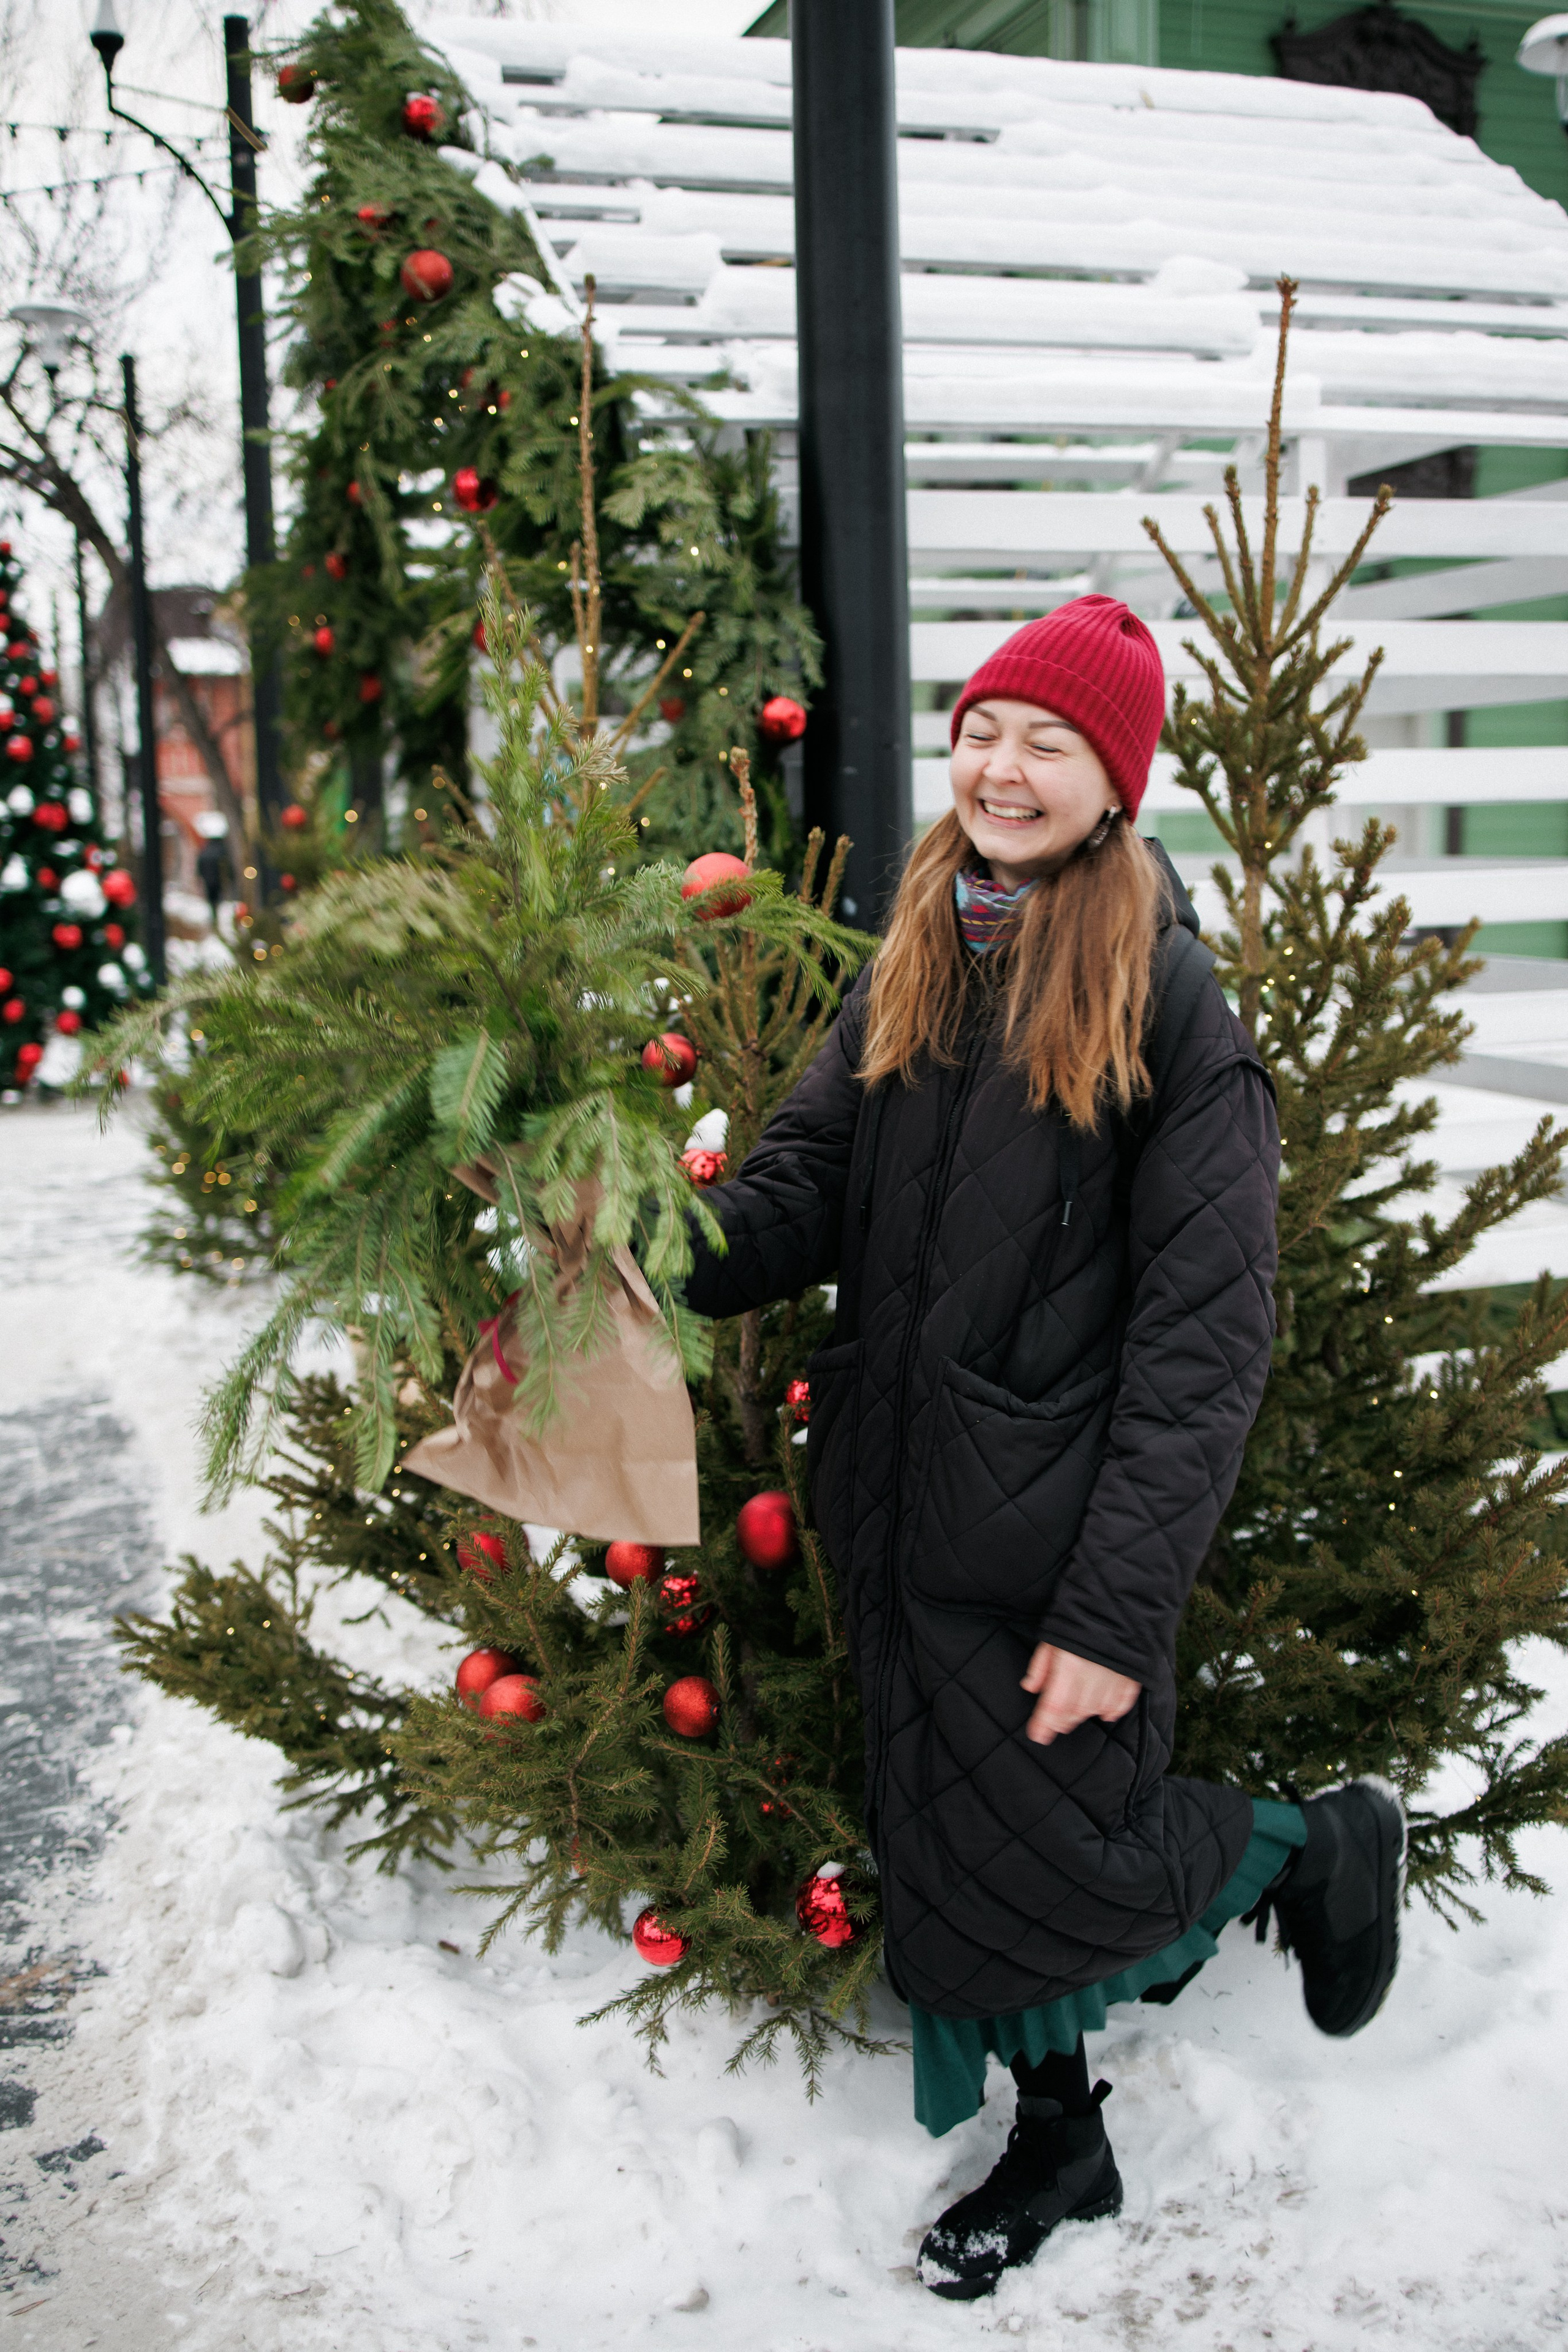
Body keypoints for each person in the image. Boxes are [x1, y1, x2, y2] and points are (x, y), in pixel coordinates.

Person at [682, 597, 1404, 2301]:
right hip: (903, 1504)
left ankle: (1314, 1842)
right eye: (986, 729)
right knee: (959, 1851)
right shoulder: (917, 952)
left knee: (1073, 1848)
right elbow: (795, 1192)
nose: (1002, 768)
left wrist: (1114, 1609)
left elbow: (1207, 1338)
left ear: (1114, 781)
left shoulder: (1167, 998)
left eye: (1049, 744)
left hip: (1055, 1533)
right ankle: (1063, 2139)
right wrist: (638, 1233)